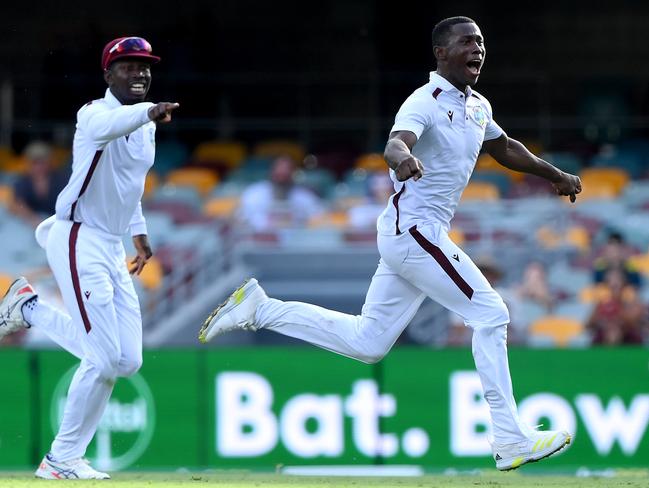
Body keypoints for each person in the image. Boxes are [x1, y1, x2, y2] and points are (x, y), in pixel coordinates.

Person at [198, 17, 581, 471]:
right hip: (416, 230)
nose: (477, 49)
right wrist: (403, 161)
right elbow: (396, 142)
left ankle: (261, 309)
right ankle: (510, 438)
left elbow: (503, 148)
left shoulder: (477, 105)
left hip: (411, 235)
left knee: (369, 342)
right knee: (491, 313)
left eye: (481, 42)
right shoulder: (425, 100)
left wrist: (554, 175)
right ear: (440, 52)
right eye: (466, 42)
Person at [0, 36, 179, 479]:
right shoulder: (92, 114)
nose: (139, 72)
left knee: (126, 359)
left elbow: (129, 185)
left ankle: (28, 307)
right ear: (108, 75)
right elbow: (108, 128)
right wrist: (151, 109)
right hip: (77, 235)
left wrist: (139, 235)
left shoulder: (145, 124)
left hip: (111, 242)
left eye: (145, 66)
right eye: (128, 66)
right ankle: (61, 460)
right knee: (101, 360)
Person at [238, 155, 324, 232]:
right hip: (259, 244)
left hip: (297, 244)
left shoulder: (305, 197)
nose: (281, 180)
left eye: (285, 176)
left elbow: (321, 221)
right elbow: (241, 221)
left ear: (293, 174)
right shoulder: (253, 194)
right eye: (278, 175)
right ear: (271, 172)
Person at [9, 141, 68, 227]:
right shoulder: (22, 181)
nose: (39, 167)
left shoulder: (62, 180)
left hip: (57, 223)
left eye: (42, 162)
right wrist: (34, 220)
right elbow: (17, 204)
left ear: (50, 162)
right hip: (30, 224)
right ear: (28, 163)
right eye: (35, 163)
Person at [585, 268, 645, 345]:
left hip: (628, 340)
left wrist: (618, 311)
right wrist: (601, 320)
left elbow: (636, 325)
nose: (614, 282)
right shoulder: (601, 303)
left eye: (617, 278)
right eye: (611, 279)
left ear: (624, 282)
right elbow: (588, 326)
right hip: (604, 339)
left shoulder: (633, 302)